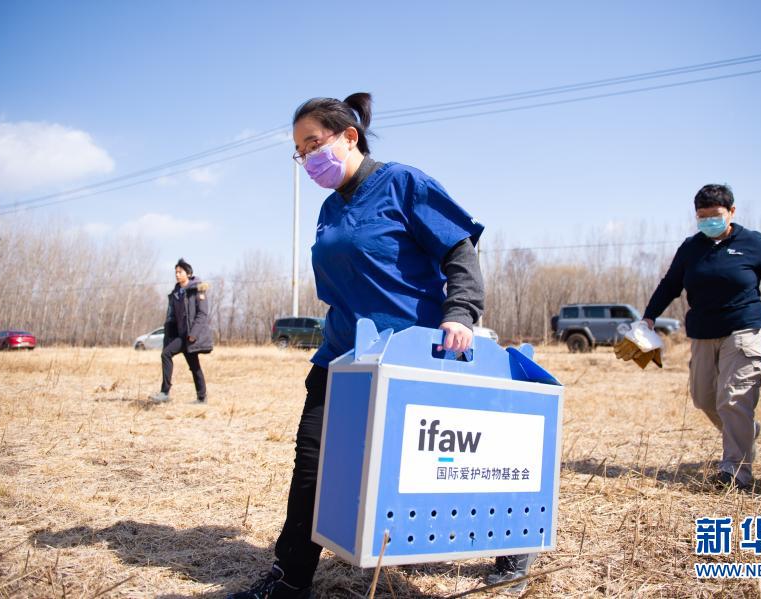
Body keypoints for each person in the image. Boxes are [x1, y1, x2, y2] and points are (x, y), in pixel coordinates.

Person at [228, 93, 533, 598]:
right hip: (343, 356)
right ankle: (290, 579)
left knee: (445, 464)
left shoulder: (403, 183)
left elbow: (459, 249)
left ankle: (513, 545)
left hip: (413, 356)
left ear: (350, 136)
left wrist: (460, 312)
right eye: (300, 151)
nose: (307, 158)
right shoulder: (329, 209)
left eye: (313, 144)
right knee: (313, 465)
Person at [641, 184, 761, 490]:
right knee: (704, 398)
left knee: (733, 397)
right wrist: (649, 316)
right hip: (703, 333)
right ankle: (746, 430)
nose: (708, 221)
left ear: (732, 212)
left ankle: (735, 472)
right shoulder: (691, 248)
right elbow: (670, 284)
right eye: (702, 216)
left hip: (744, 329)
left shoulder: (752, 243)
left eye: (715, 215)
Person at [149, 258, 213, 404]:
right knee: (194, 366)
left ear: (188, 274)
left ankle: (165, 393)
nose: (177, 275)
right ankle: (201, 397)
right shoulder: (176, 293)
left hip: (191, 335)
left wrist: (193, 334)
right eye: (176, 272)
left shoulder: (198, 290)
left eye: (180, 272)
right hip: (180, 334)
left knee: (167, 354)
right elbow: (172, 316)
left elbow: (202, 314)